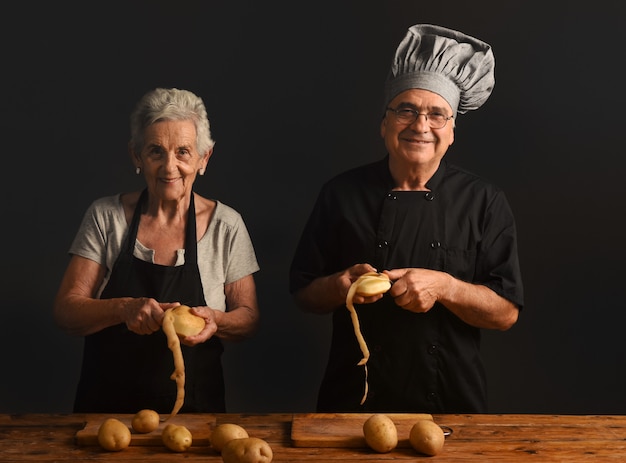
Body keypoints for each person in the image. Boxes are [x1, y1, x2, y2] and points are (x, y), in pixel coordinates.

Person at [289, 24, 523, 414]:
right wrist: (340, 285)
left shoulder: (484, 201)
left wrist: (447, 287)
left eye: (436, 115)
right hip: (352, 402)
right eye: (406, 110)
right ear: (384, 123)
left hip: (450, 403)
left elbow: (506, 313)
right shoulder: (340, 194)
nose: (420, 125)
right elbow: (303, 294)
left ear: (451, 132)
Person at [54, 87, 260, 414]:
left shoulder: (227, 225)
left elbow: (248, 318)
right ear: (136, 156)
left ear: (204, 158)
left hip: (195, 415)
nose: (169, 166)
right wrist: (122, 308)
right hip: (107, 414)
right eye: (155, 151)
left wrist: (216, 320)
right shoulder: (105, 216)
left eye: (183, 151)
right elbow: (66, 311)